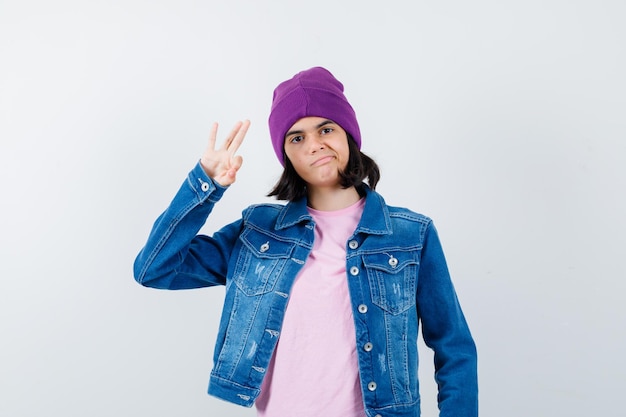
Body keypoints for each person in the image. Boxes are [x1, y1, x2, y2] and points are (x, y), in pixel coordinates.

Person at [134, 67, 478, 417]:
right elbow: (154, 269)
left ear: (347, 134)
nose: (314, 145)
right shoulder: (258, 233)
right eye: (296, 138)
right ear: (286, 155)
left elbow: (454, 348)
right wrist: (204, 185)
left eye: (325, 129)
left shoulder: (410, 236)